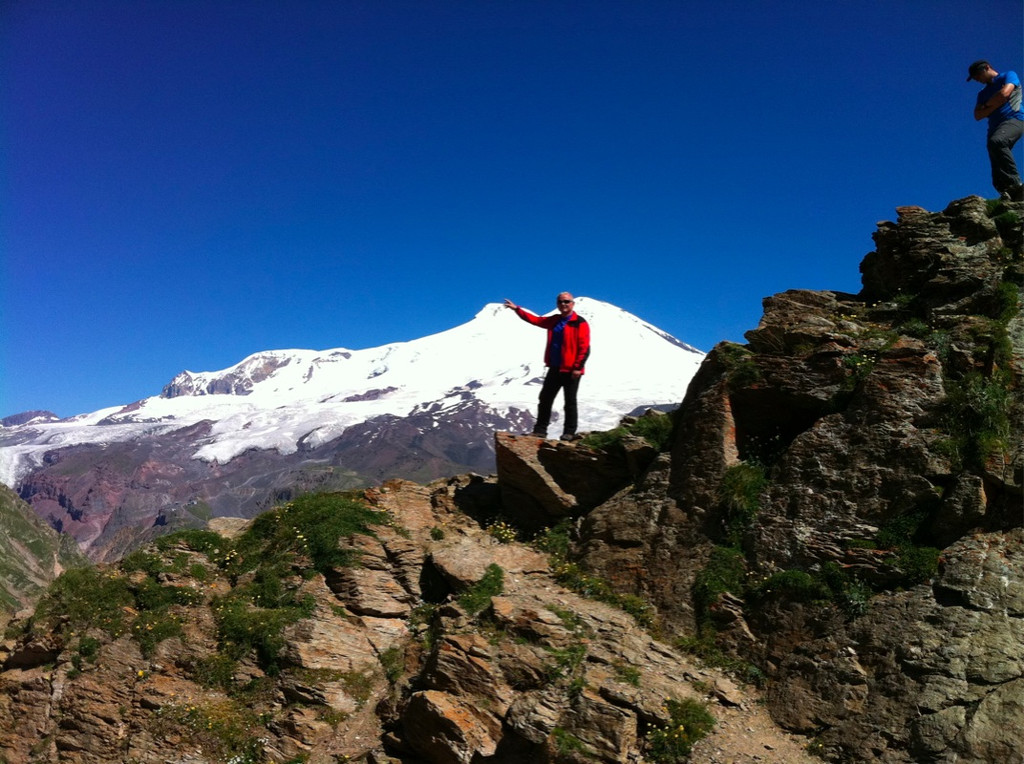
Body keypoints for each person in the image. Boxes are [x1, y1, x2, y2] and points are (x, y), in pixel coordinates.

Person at [504, 292, 591, 441]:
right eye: (560, 302)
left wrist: (578, 367)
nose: (563, 304)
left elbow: (585, 347)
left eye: (566, 301)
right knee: (545, 399)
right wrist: (517, 309)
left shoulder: (579, 322)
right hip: (555, 367)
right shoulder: (554, 320)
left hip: (571, 369)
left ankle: (569, 432)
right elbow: (536, 320)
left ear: (572, 304)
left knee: (570, 402)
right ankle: (540, 431)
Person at [967, 59, 1024, 201]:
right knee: (995, 158)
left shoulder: (1008, 75)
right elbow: (978, 115)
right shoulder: (982, 94)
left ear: (987, 68)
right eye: (974, 78)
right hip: (994, 127)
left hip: (1014, 119)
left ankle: (1015, 185)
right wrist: (994, 102)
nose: (977, 79)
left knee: (997, 142)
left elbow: (1005, 94)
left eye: (977, 75)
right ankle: (1006, 195)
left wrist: (987, 106)